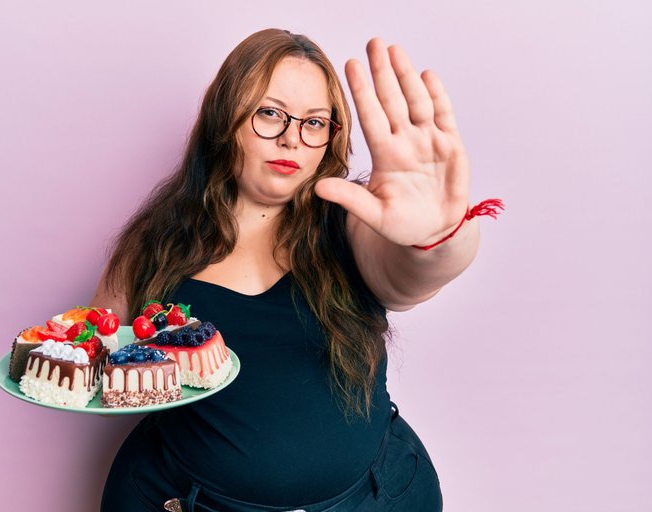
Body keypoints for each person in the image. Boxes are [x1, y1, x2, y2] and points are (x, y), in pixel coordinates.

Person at [94, 28, 489, 512]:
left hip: (370, 500)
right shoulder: (153, 243)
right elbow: (102, 364)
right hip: (182, 500)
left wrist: (437, 235)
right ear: (225, 116)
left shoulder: (353, 224)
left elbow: (412, 276)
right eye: (270, 113)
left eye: (315, 123)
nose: (291, 139)